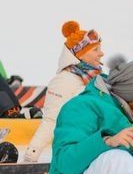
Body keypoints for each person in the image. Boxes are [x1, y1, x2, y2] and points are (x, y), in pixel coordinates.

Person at [22, 22, 103, 163]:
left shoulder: (94, 78)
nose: (102, 53)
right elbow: (51, 120)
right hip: (73, 150)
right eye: (96, 49)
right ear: (80, 53)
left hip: (94, 147)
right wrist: (32, 154)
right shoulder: (64, 81)